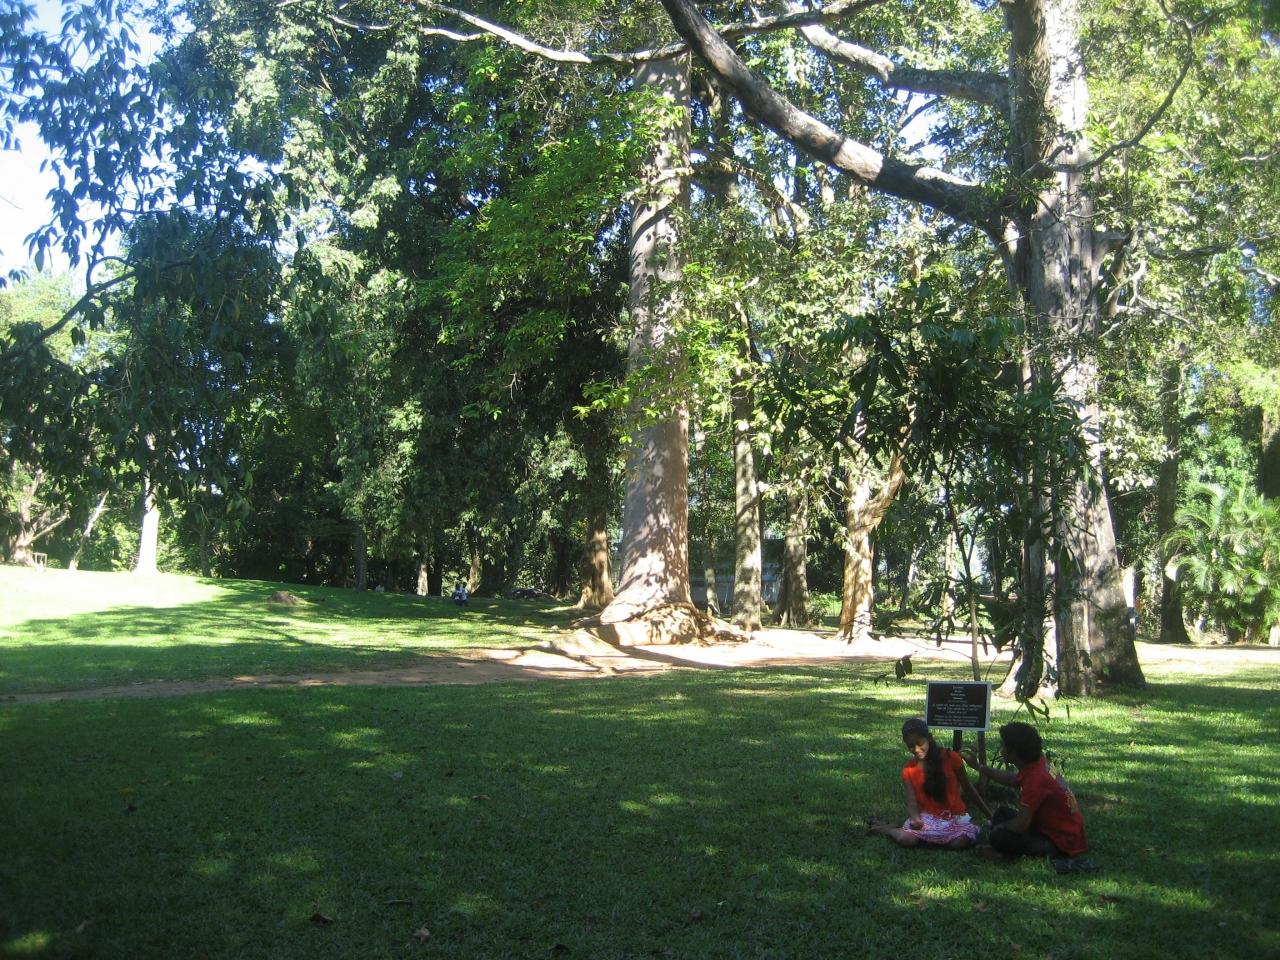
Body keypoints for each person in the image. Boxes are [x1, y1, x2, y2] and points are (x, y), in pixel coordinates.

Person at [963, 721, 1092, 868]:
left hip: (1059, 843)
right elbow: (1013, 779)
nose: (1000, 749)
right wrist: (979, 767)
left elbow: (1020, 825)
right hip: (1056, 831)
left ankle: (1004, 855)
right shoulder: (1038, 763)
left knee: (998, 836)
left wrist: (1001, 828)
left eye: (1003, 745)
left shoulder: (1036, 780)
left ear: (1014, 752)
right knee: (1001, 813)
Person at [869, 718, 992, 848]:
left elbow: (968, 788)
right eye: (911, 746)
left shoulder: (952, 758)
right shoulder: (908, 769)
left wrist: (990, 815)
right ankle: (888, 830)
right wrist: (915, 818)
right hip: (928, 818)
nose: (916, 749)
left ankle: (930, 838)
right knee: (907, 839)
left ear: (930, 738)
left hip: (955, 817)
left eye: (920, 743)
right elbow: (911, 801)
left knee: (959, 843)